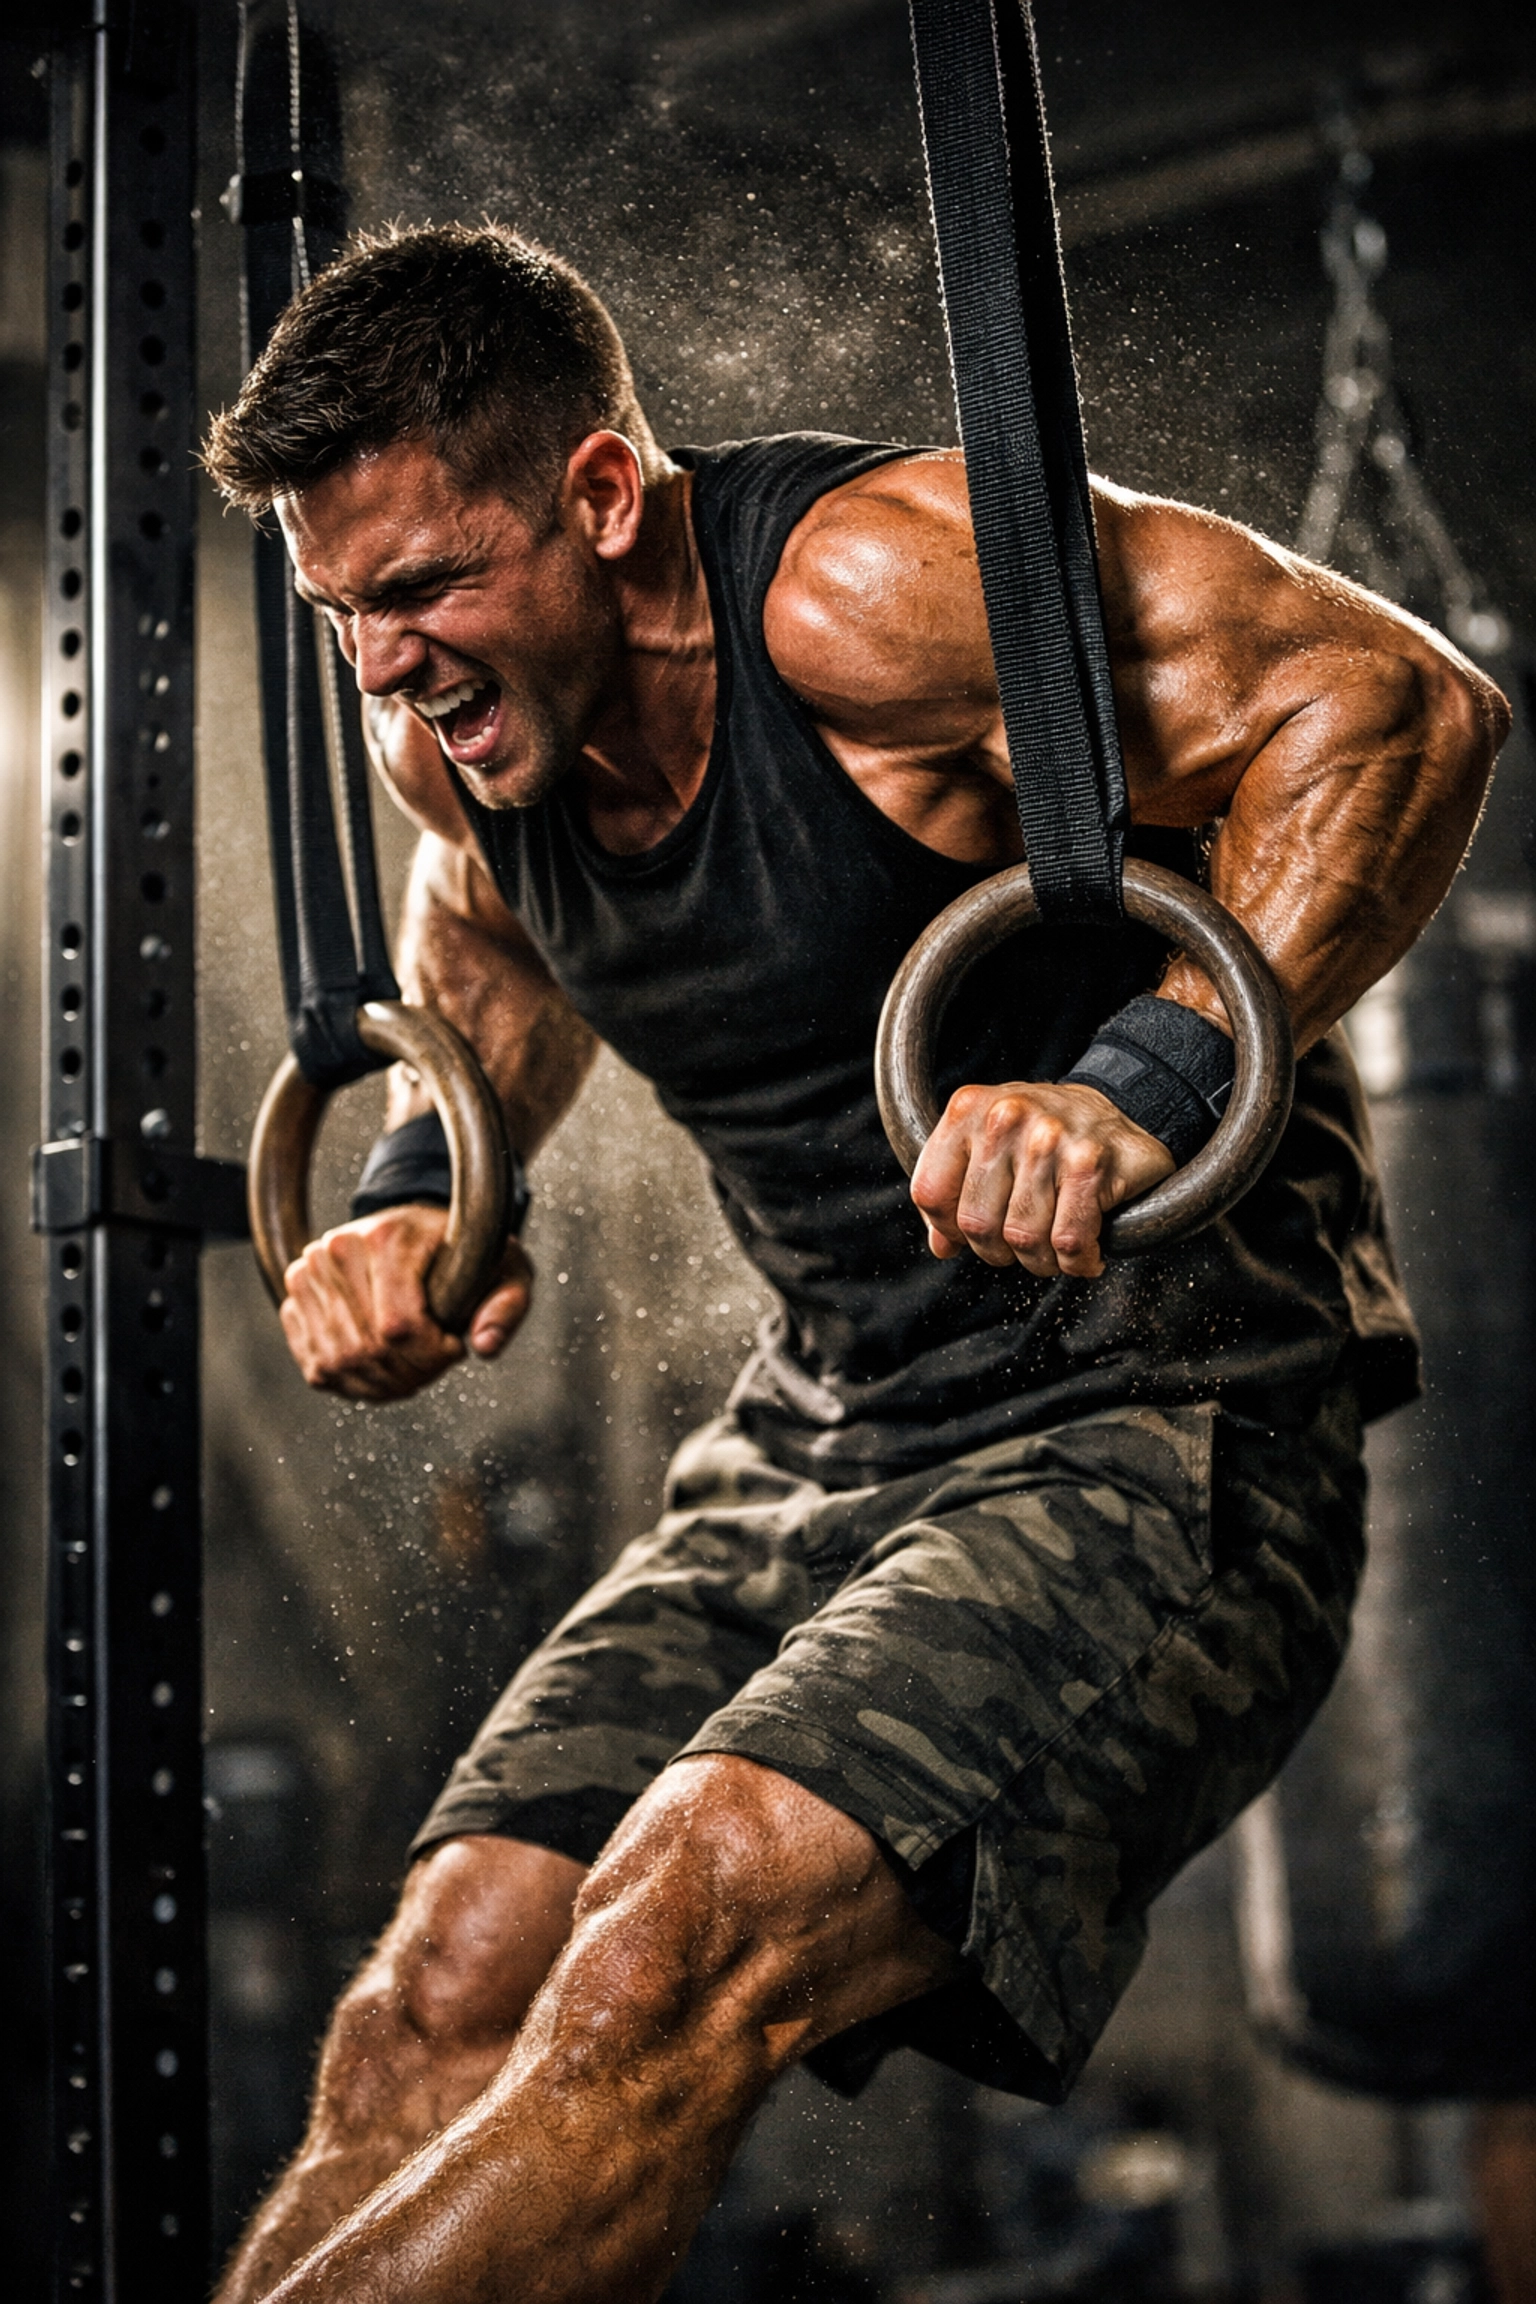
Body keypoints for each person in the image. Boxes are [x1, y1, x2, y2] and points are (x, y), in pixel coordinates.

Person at [201, 222, 1506, 2304]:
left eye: (429, 585)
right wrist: (419, 1198)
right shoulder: (443, 717)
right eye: (342, 606)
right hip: (819, 1444)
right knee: (431, 2001)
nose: (387, 661)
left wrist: (1140, 1078)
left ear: (605, 498)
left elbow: (1398, 706)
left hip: (1160, 1422)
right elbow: (494, 953)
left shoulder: (866, 595)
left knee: (661, 1951)